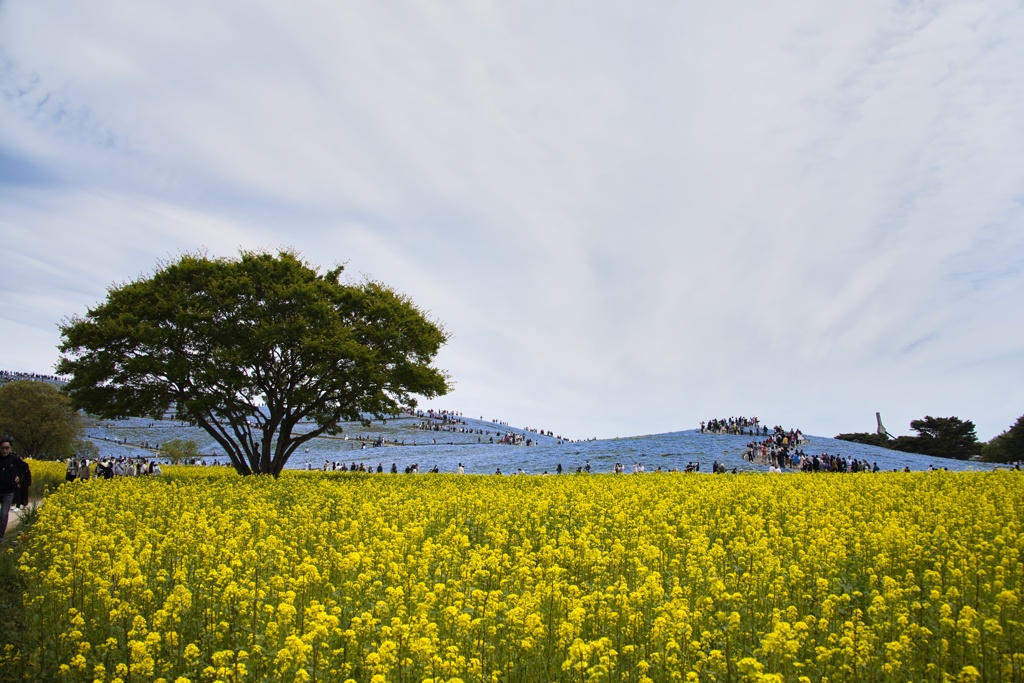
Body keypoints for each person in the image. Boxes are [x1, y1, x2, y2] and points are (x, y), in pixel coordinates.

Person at [1, 439, 28, 542]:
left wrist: (19, 476)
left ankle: (0, 536)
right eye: (2, 448)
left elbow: (25, 467)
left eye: (7, 448)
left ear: (10, 448)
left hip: (8, 491)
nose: (4, 450)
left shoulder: (14, 459)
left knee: (4, 514)